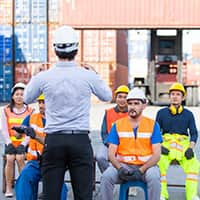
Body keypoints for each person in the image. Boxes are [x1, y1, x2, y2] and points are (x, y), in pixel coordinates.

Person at [23, 25, 112, 200]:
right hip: (79, 140)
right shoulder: (87, 76)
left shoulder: (44, 77)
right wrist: (95, 73)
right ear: (76, 49)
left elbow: (26, 98)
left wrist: (35, 75)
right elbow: (107, 96)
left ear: (55, 49)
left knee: (51, 195)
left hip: (54, 140)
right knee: (83, 195)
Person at [100, 88, 162, 200]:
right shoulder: (118, 125)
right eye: (130, 103)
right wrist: (119, 169)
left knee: (154, 178)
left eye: (136, 103)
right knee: (106, 177)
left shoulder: (153, 125)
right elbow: (111, 153)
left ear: (144, 106)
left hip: (146, 166)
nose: (132, 107)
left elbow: (157, 154)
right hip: (123, 165)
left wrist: (141, 170)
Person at [13, 94, 68, 200]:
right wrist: (19, 131)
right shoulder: (31, 118)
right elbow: (18, 135)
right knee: (24, 178)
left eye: (44, 102)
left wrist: (35, 135)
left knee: (60, 188)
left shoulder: (60, 121)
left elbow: (56, 143)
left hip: (54, 163)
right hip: (35, 162)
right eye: (40, 102)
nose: (41, 105)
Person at [156, 82, 200, 200]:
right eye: (173, 94)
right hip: (166, 144)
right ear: (169, 96)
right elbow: (155, 132)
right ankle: (162, 194)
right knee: (159, 163)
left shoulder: (188, 114)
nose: (175, 96)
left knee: (193, 165)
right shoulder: (161, 113)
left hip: (183, 145)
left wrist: (191, 147)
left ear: (183, 97)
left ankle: (191, 196)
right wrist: (159, 146)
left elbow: (194, 133)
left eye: (178, 94)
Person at [1, 82, 34, 198]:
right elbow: (3, 129)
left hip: (25, 143)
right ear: (12, 96)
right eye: (17, 94)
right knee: (10, 158)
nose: (19, 97)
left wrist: (24, 144)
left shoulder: (30, 111)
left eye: (22, 94)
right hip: (10, 142)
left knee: (20, 158)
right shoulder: (5, 110)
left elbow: (31, 130)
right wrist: (9, 143)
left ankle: (23, 186)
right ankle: (9, 187)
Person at [96, 85, 129, 173]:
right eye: (120, 97)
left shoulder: (132, 114)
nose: (122, 100)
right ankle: (110, 176)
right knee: (100, 157)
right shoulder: (109, 113)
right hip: (109, 143)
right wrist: (110, 144)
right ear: (116, 98)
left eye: (125, 97)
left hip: (126, 145)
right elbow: (104, 133)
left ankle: (123, 179)